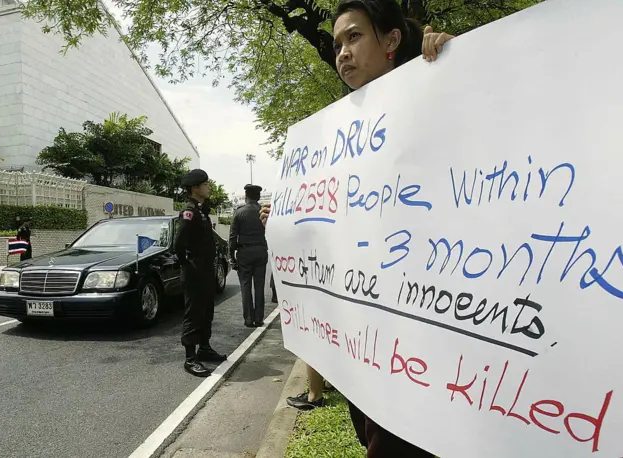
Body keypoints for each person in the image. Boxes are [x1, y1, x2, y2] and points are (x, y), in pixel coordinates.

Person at [262, 0, 454, 454]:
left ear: (391, 41)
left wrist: (459, 59)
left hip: (422, 339)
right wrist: (286, 219)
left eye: (354, 37)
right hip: (364, 346)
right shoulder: (341, 135)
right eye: (336, 44)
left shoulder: (441, 90)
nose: (342, 52)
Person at [175, 169, 227, 377]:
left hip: (206, 270)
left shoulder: (202, 211)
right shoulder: (189, 212)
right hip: (195, 272)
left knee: (206, 312)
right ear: (195, 188)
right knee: (194, 314)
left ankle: (204, 348)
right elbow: (178, 243)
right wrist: (186, 265)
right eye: (205, 184)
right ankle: (190, 358)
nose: (209, 187)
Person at [229, 184, 269, 327]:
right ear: (258, 197)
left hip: (244, 253)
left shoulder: (239, 212)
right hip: (260, 251)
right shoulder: (264, 212)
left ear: (246, 196)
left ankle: (248, 319)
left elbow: (233, 237)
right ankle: (259, 319)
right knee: (259, 286)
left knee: (245, 286)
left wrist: (231, 257)